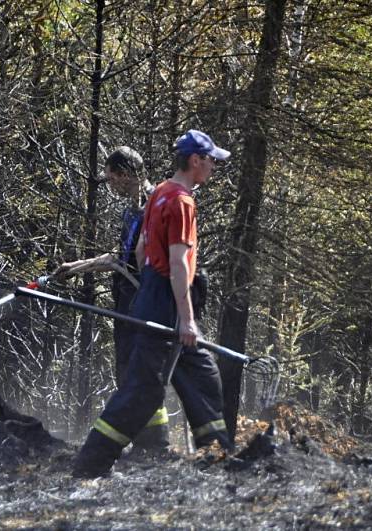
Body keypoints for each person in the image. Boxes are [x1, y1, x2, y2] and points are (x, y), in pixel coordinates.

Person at [72, 129, 232, 478]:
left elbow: (144, 251)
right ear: (195, 161)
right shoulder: (182, 202)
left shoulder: (161, 192)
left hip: (154, 294)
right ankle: (90, 464)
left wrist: (148, 290)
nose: (213, 168)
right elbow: (178, 264)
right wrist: (185, 318)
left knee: (202, 372)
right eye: (211, 162)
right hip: (167, 300)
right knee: (143, 390)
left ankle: (218, 452)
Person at [54, 146, 169, 451]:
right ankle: (148, 441)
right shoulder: (131, 210)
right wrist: (76, 267)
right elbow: (119, 257)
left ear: (127, 174)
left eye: (112, 178)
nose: (111, 185)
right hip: (127, 300)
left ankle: (153, 444)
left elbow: (149, 261)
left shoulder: (152, 207)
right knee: (127, 371)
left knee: (138, 373)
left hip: (143, 303)